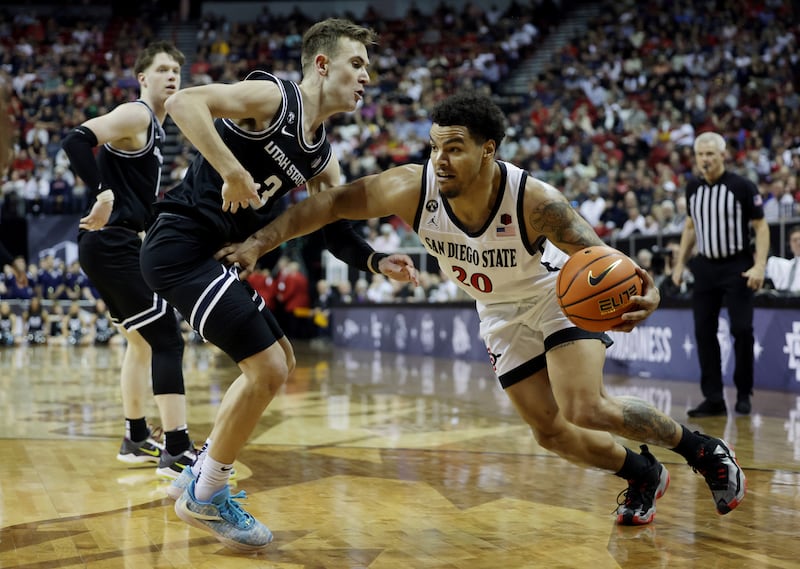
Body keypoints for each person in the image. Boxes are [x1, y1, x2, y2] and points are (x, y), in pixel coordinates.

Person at [218, 91, 747, 530]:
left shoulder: (534, 199)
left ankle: (702, 450)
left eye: (454, 148)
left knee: (583, 407)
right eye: (434, 147)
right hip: (495, 310)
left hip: (554, 296)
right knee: (550, 431)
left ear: (488, 150)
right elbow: (327, 205)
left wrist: (642, 288)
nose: (440, 160)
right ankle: (641, 474)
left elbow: (595, 252)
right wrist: (261, 241)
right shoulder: (412, 187)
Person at [139, 18, 416, 551]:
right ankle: (206, 493)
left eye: (368, 69)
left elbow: (334, 230)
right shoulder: (274, 97)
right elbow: (185, 104)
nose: (366, 77)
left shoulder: (320, 156)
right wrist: (230, 171)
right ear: (322, 64)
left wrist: (377, 261)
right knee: (266, 368)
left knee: (282, 361)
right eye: (357, 64)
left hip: (213, 257)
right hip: (179, 246)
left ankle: (200, 472)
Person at [61, 41, 198, 479]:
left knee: (140, 341)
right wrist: (102, 191)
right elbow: (76, 140)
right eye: (162, 70)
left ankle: (136, 437)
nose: (172, 76)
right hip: (111, 243)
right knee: (167, 339)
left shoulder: (156, 129)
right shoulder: (137, 115)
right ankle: (176, 449)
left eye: (177, 70)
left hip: (113, 244)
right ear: (143, 78)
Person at [671, 131, 769, 417]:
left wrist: (759, 265)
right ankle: (713, 397)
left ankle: (743, 393)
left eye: (711, 154)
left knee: (742, 330)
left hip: (737, 265)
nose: (705, 159)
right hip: (705, 266)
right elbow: (690, 226)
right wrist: (680, 264)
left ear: (723, 155)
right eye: (701, 154)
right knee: (703, 331)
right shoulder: (692, 188)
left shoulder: (742, 186)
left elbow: (761, 227)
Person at [765, 225, 800, 293]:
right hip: (786, 300)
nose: (799, 243)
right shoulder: (784, 266)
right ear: (789, 244)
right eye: (795, 240)